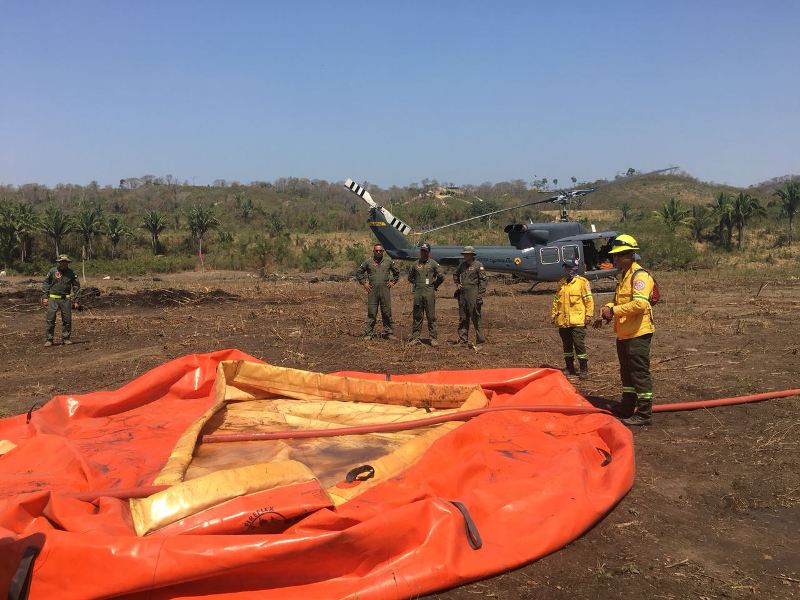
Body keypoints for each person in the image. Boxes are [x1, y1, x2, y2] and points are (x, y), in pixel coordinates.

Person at [594, 234, 655, 426]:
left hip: (638, 333)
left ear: (630, 255)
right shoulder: (624, 277)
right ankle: (627, 407)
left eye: (619, 255)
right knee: (626, 373)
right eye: (615, 256)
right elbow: (620, 301)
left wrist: (614, 310)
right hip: (624, 332)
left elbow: (640, 305)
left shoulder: (640, 277)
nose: (616, 259)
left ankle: (644, 414)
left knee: (639, 372)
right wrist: (607, 309)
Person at [551, 257, 594, 379]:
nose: (568, 270)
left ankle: (584, 369)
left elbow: (589, 300)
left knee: (579, 344)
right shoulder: (561, 283)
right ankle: (569, 368)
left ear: (575, 269)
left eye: (570, 268)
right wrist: (554, 314)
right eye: (566, 267)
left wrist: (588, 316)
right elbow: (556, 300)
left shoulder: (582, 282)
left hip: (577, 321)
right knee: (567, 345)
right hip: (563, 321)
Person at [356, 243, 400, 339]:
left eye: (380, 251)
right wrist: (364, 283)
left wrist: (393, 282)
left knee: (386, 311)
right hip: (372, 291)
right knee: (372, 312)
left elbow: (397, 272)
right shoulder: (368, 262)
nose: (378, 252)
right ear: (374, 251)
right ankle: (369, 333)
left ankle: (388, 332)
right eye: (377, 251)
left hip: (385, 290)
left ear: (383, 252)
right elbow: (359, 272)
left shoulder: (388, 261)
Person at [407, 243, 444, 346]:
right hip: (418, 293)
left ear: (429, 252)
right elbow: (410, 277)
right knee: (417, 315)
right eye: (422, 251)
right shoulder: (415, 264)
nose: (423, 253)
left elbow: (441, 276)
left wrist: (434, 285)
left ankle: (433, 338)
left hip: (429, 292)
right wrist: (417, 283)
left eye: (425, 251)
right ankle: (415, 337)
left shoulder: (433, 264)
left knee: (431, 316)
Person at [41, 254, 81, 347]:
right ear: (58, 262)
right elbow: (46, 283)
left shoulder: (71, 273)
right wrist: (45, 296)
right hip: (53, 299)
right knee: (50, 319)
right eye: (61, 262)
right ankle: (49, 339)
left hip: (65, 300)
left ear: (68, 263)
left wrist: (76, 300)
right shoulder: (52, 271)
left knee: (67, 320)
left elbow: (76, 287)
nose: (63, 264)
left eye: (65, 262)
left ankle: (66, 338)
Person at [453, 246, 487, 347]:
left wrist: (480, 295)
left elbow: (483, 281)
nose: (465, 256)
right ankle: (463, 340)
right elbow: (455, 274)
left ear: (472, 255)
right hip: (463, 294)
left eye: (467, 254)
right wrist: (457, 283)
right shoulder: (462, 265)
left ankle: (480, 341)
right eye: (464, 254)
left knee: (476, 317)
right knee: (463, 317)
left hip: (474, 293)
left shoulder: (478, 265)